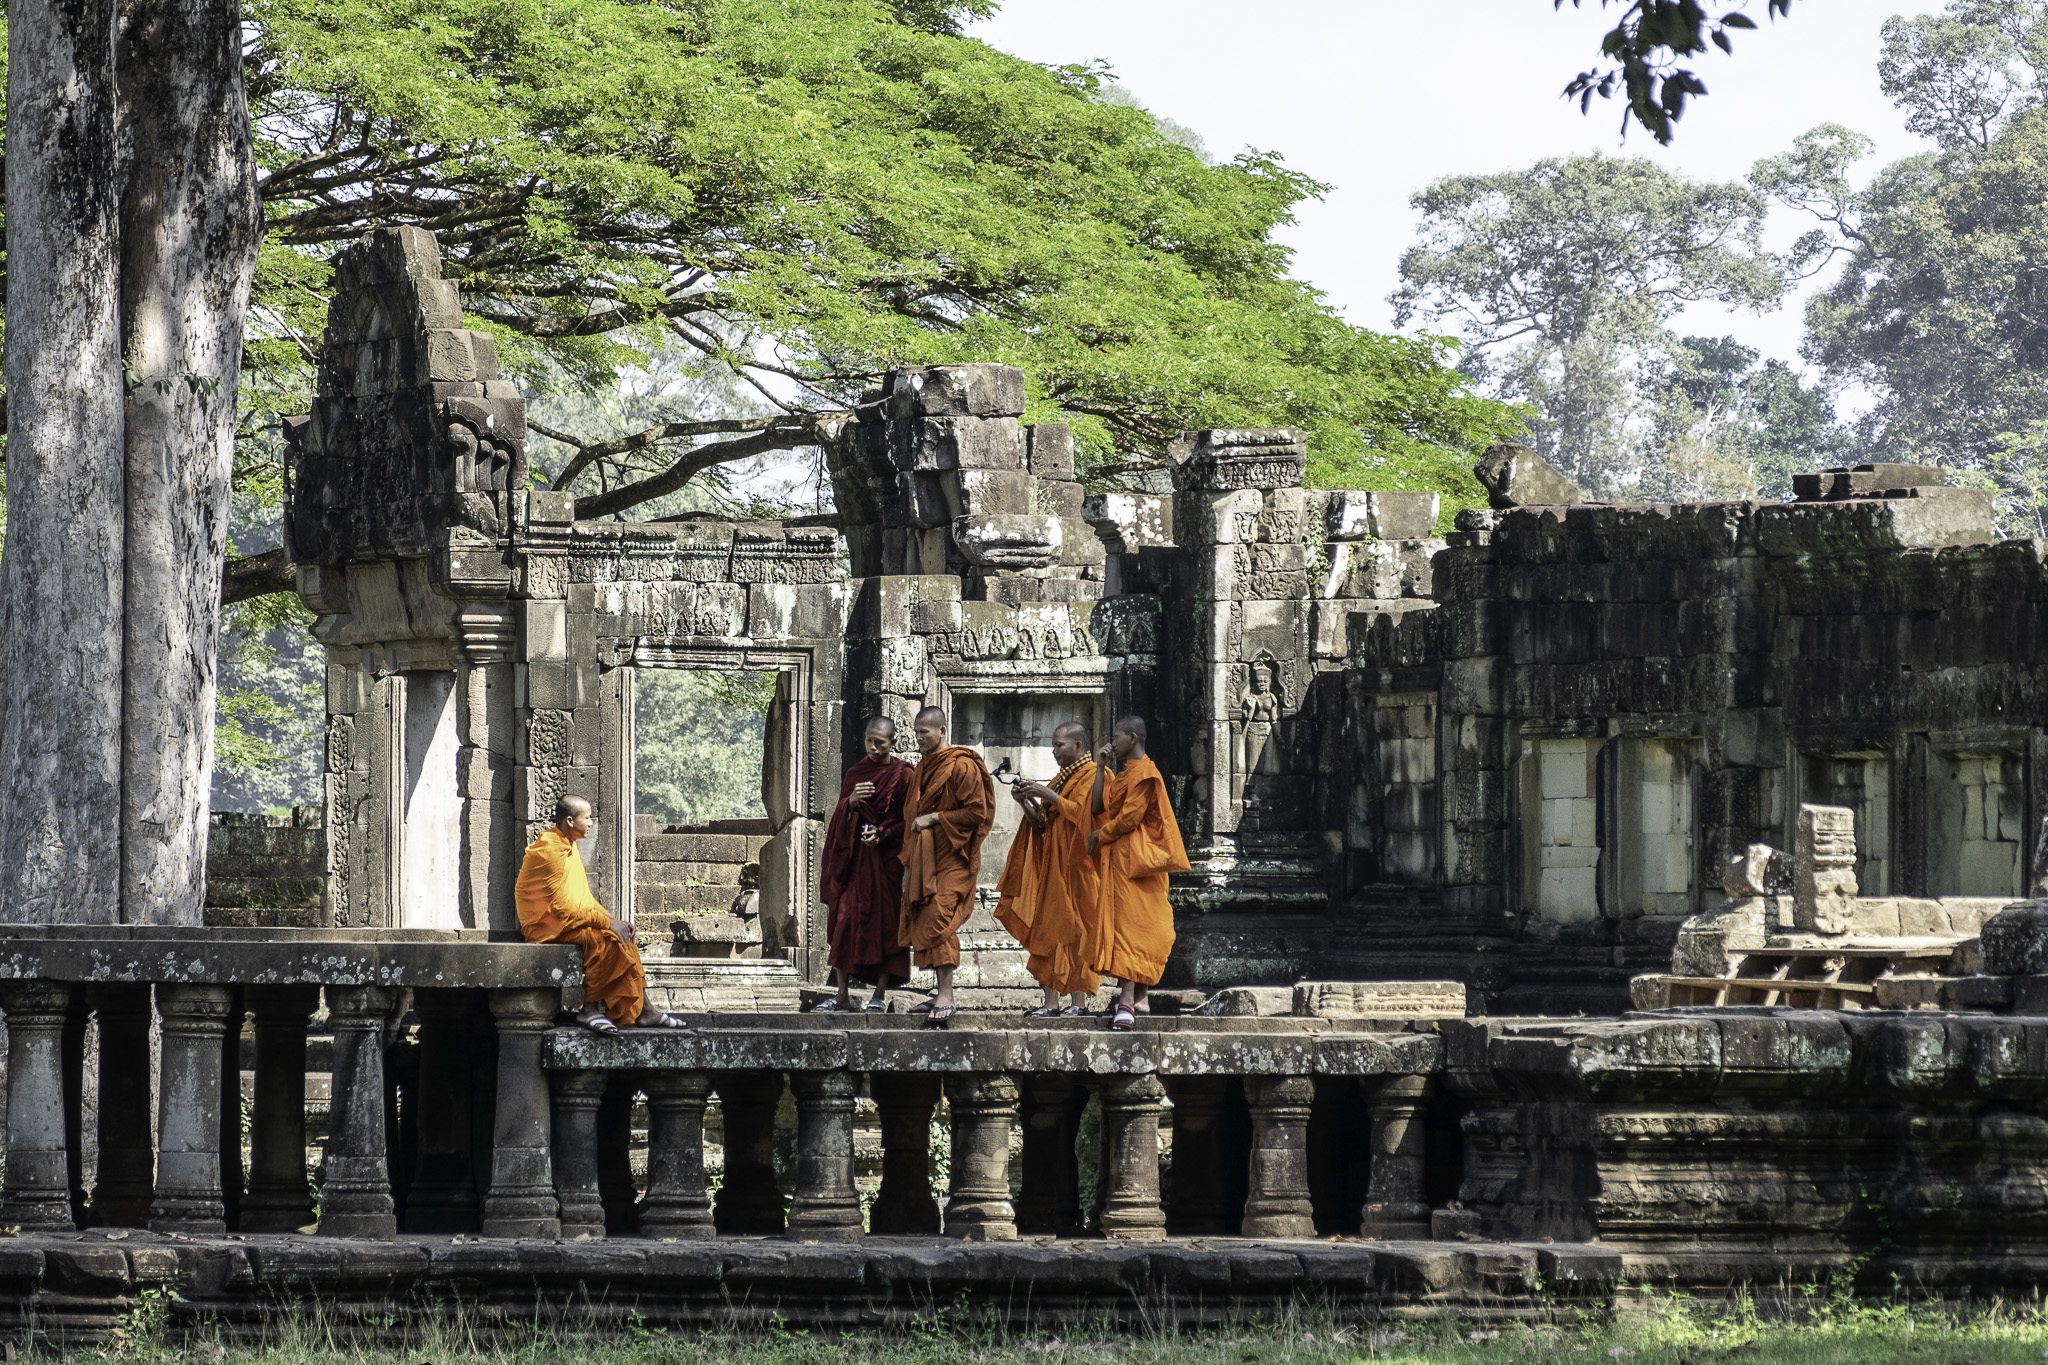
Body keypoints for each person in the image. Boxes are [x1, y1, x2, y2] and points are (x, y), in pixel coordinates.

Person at [515, 795, 687, 1033]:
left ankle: (646, 1011)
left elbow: (582, 898)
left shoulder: (567, 844)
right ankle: (588, 1010)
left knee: (623, 937)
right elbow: (563, 908)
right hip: (545, 926)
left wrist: (614, 921)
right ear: (569, 821)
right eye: (587, 818)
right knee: (604, 940)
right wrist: (607, 924)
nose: (591, 822)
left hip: (565, 920)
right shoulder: (552, 851)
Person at [1087, 715, 1189, 1031]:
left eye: (1116, 737)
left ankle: (1126, 1002)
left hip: (1140, 864)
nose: (1111, 742)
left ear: (1132, 738)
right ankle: (1138, 997)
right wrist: (1101, 768)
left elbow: (1130, 818)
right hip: (1121, 862)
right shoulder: (1124, 774)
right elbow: (1096, 808)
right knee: (1125, 928)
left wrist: (1098, 836)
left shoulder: (1146, 773)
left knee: (1137, 929)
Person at [994, 720, 1101, 1017]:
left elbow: (1087, 818)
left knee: (1080, 933)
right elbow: (1041, 824)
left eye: (1059, 745)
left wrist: (1048, 793)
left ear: (1078, 745)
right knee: (1048, 932)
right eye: (1053, 745)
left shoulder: (1095, 777)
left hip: (1080, 870)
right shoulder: (1059, 781)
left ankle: (1078, 1004)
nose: (1054, 751)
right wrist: (1025, 802)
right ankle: (1051, 1004)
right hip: (1053, 870)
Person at [897, 706, 994, 1026]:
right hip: (925, 860)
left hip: (956, 858)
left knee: (939, 917)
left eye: (925, 732)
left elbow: (977, 813)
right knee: (926, 915)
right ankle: (940, 992)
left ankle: (948, 996)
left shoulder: (961, 765)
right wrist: (909, 867)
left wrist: (937, 817)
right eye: (916, 732)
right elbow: (911, 819)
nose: (919, 737)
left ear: (942, 731)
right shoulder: (923, 767)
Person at [816, 716, 913, 1011]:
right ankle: (842, 994)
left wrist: (883, 833)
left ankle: (879, 995)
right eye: (869, 740)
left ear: (892, 743)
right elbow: (838, 818)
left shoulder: (904, 774)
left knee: (887, 928)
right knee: (843, 921)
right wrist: (852, 803)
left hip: (887, 863)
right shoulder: (856, 772)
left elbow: (909, 820)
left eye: (879, 743)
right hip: (856, 862)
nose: (872, 747)